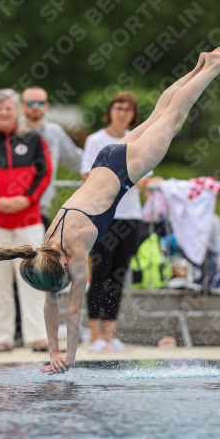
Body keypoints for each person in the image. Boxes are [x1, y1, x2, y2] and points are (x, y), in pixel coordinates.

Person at [0, 44, 220, 372]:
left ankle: (212, 68)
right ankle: (198, 66)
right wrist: (53, 353)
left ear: (63, 262)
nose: (69, 279)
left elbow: (73, 312)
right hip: (109, 158)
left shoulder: (75, 244)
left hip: (124, 171)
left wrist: (67, 358)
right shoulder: (44, 246)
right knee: (160, 114)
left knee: (173, 118)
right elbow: (51, 302)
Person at [0, 88, 52, 352]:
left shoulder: (35, 140)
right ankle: (2, 337)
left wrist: (28, 199)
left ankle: (37, 336)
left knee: (33, 280)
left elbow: (44, 173)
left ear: (17, 112)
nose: (4, 112)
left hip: (28, 220)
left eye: (9, 107)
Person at [81, 91, 152, 352]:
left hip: (131, 215)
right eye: (118, 107)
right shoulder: (95, 140)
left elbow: (144, 179)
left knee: (118, 275)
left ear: (133, 114)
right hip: (104, 215)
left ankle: (110, 335)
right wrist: (125, 178)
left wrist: (117, 177)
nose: (122, 112)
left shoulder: (140, 140)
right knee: (99, 273)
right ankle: (93, 334)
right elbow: (88, 176)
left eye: (127, 109)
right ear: (110, 110)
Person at [21, 87, 83, 228]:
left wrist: (102, 172)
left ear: (47, 105)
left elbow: (78, 161)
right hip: (10, 209)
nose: (36, 107)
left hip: (39, 211)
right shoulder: (12, 132)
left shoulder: (55, 132)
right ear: (22, 105)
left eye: (40, 103)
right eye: (30, 103)